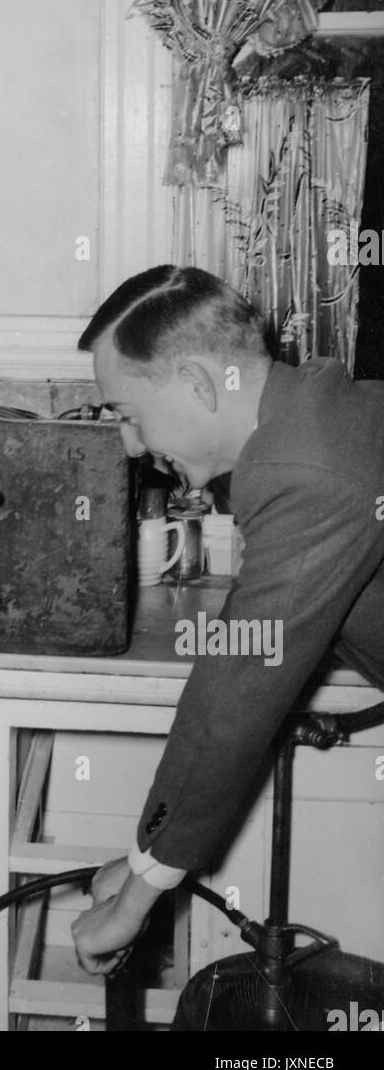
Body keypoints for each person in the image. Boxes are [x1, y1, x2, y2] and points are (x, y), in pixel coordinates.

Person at [70, 265, 384, 974]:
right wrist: (143, 859)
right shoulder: (308, 416)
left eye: (126, 412)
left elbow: (235, 696)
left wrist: (133, 901)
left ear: (197, 384)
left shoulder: (305, 468)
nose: (128, 443)